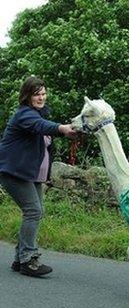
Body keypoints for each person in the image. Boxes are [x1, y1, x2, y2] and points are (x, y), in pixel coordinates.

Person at [0, 76, 78, 276]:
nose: (41, 97)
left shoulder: (40, 115)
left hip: (31, 175)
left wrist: (68, 132)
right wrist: (62, 128)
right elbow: (41, 126)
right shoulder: (24, 115)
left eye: (43, 93)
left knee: (36, 211)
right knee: (33, 211)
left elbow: (44, 130)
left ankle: (20, 259)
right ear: (27, 96)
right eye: (37, 94)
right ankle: (28, 259)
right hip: (13, 172)